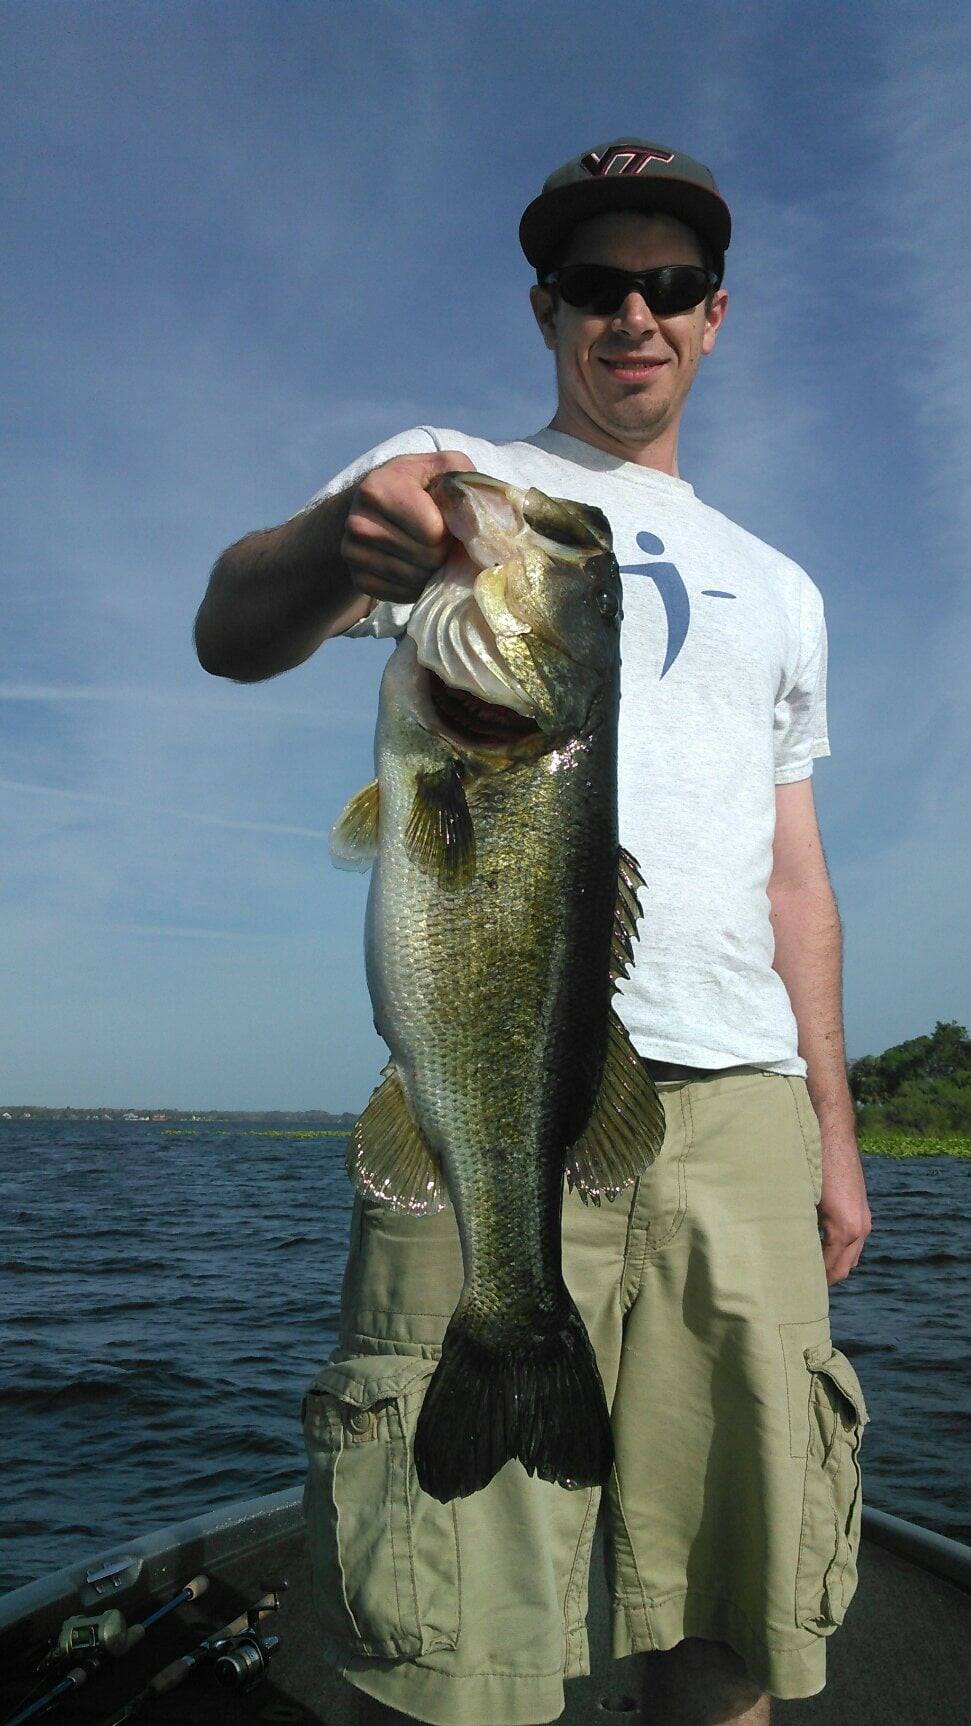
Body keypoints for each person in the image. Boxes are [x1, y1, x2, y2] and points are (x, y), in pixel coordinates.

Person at [195, 138, 872, 1726]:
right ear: (546, 308)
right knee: (454, 1642)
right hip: (494, 1105)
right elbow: (231, 630)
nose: (632, 312)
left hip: (743, 1116)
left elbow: (800, 880)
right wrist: (327, 548)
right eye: (594, 284)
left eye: (671, 285)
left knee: (731, 1608)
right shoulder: (450, 481)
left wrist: (835, 1133)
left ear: (716, 317)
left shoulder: (785, 587)